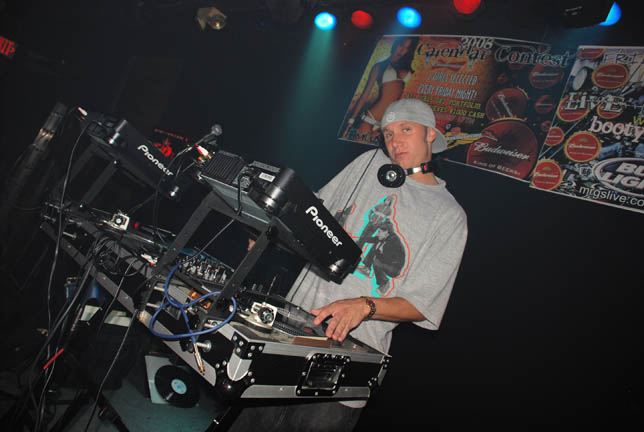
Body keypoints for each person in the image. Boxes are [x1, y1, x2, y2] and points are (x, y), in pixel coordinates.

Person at [228, 98, 468, 431]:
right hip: (288, 332)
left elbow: (422, 305)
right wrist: (272, 232)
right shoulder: (366, 164)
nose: (395, 141)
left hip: (346, 359)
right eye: (388, 133)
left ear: (430, 134)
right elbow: (311, 216)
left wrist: (364, 306)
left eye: (406, 130)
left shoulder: (449, 215)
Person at [342, 37, 419, 143]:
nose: (402, 50)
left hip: (388, 123)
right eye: (401, 45)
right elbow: (365, 95)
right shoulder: (379, 67)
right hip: (370, 119)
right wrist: (351, 120)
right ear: (395, 44)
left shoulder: (406, 67)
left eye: (407, 48)